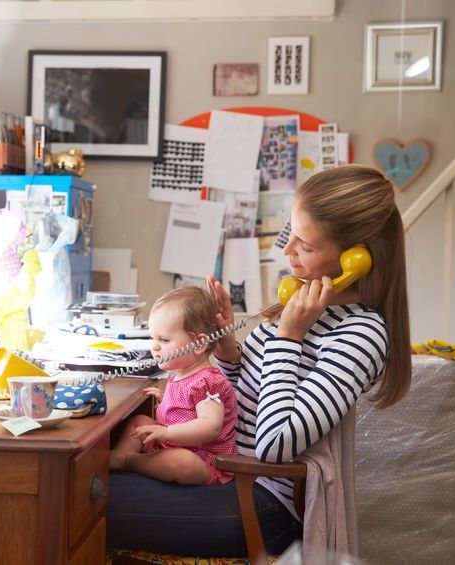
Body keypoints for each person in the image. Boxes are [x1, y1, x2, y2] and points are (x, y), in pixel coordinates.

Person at [107, 165, 411, 556]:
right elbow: (246, 404)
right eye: (291, 235)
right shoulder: (301, 304)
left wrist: (289, 336)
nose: (287, 252)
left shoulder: (360, 335)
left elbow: (272, 444)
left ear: (357, 258)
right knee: (85, 477)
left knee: (87, 498)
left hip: (262, 501)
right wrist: (230, 351)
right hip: (224, 472)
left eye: (306, 245)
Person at [109, 285, 237, 486]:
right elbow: (187, 408)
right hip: (171, 444)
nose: (155, 347)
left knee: (181, 462)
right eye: (154, 338)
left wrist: (167, 432)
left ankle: (129, 461)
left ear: (198, 344)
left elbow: (210, 426)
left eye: (164, 339)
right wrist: (164, 399)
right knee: (140, 421)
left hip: (202, 460)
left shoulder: (209, 381)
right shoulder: (181, 373)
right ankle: (120, 456)